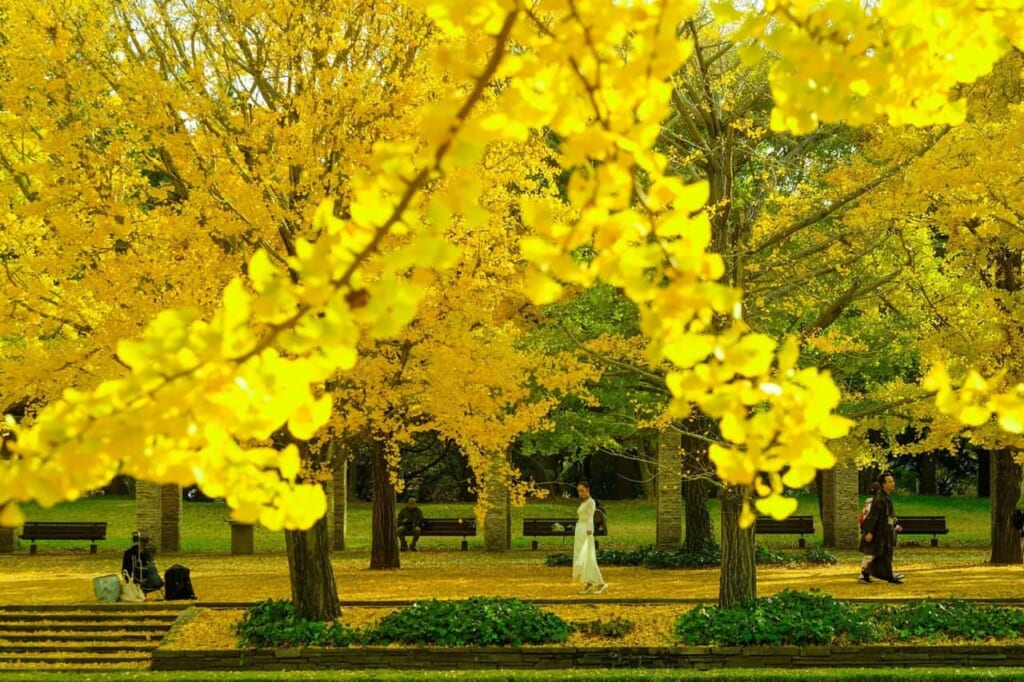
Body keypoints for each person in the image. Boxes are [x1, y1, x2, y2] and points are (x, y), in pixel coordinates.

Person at [860, 473, 904, 584]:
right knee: (876, 554)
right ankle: (868, 574)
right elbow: (873, 516)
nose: (893, 483)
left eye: (893, 481)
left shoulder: (886, 497)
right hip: (879, 532)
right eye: (889, 482)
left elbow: (889, 515)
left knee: (884, 554)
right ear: (883, 484)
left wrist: (895, 525)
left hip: (885, 531)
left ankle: (886, 575)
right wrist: (869, 532)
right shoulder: (880, 499)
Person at [573, 480, 607, 594]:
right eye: (579, 491)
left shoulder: (591, 502)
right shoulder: (583, 503)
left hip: (586, 530)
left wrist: (590, 530)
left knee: (588, 557)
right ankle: (588, 582)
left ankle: (601, 583)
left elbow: (590, 518)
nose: (580, 493)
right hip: (580, 530)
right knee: (582, 558)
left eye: (582, 491)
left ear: (588, 490)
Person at [857, 481, 881, 583]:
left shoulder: (869, 501)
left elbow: (862, 518)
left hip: (871, 530)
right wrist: (869, 531)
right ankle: (863, 575)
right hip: (871, 531)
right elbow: (867, 518)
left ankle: (868, 573)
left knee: (874, 554)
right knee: (870, 554)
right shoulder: (875, 502)